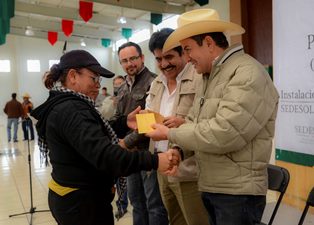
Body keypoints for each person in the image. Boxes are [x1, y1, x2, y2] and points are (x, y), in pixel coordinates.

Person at [146, 8, 279, 225]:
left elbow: (224, 132)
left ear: (208, 43)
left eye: (188, 49)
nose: (187, 59)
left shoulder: (246, 73)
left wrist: (171, 133)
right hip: (213, 185)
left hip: (237, 192)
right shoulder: (211, 76)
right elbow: (197, 123)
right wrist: (179, 151)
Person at [30, 49, 178, 225]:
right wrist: (154, 161)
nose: (98, 85)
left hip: (76, 197)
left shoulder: (65, 103)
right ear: (72, 76)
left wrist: (123, 123)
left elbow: (87, 134)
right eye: (94, 78)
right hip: (82, 203)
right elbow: (106, 156)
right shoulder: (72, 109)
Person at [143, 28, 210, 225]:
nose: (164, 64)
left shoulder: (200, 79)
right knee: (175, 220)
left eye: (169, 57)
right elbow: (149, 117)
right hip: (162, 166)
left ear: (183, 52)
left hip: (189, 168)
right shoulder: (156, 83)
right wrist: (140, 123)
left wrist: (183, 125)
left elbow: (207, 121)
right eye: (158, 59)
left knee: (196, 220)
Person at [111, 42, 168, 225]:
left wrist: (125, 142)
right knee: (136, 203)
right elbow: (120, 117)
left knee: (154, 205)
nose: (130, 64)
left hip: (148, 152)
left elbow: (149, 122)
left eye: (133, 58)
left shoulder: (154, 82)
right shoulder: (121, 88)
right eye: (125, 61)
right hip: (129, 155)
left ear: (142, 58)